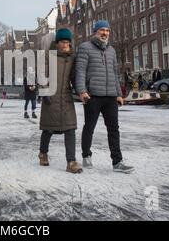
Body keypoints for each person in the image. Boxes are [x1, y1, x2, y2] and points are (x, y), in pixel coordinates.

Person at [75, 20, 134, 174]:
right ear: (95, 31)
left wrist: (119, 94)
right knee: (89, 127)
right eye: (102, 30)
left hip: (110, 97)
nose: (105, 33)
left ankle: (117, 161)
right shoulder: (85, 48)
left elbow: (115, 74)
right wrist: (82, 91)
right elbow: (80, 71)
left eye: (107, 31)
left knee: (114, 129)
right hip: (92, 96)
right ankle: (86, 155)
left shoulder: (112, 50)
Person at [39, 28, 83, 174]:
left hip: (66, 97)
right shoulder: (48, 56)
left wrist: (81, 90)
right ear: (57, 43)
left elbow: (74, 77)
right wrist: (45, 92)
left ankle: (71, 162)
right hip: (51, 97)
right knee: (48, 129)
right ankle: (43, 153)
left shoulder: (72, 57)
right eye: (63, 42)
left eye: (68, 42)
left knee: (70, 128)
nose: (66, 44)